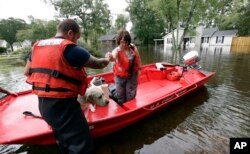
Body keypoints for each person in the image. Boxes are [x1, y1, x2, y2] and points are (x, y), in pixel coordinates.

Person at [25, 19, 111, 154]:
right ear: (70, 33)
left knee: (63, 142)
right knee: (82, 148)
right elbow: (99, 64)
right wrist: (107, 57)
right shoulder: (71, 49)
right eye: (77, 38)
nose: (76, 42)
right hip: (63, 107)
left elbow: (26, 72)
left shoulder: (37, 46)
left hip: (44, 107)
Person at [106, 30, 141, 105]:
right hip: (120, 77)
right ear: (119, 41)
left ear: (128, 41)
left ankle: (130, 108)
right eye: (121, 42)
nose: (124, 44)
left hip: (132, 76)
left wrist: (139, 69)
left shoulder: (133, 48)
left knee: (130, 96)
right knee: (121, 97)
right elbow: (113, 58)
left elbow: (138, 58)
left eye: (126, 42)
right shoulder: (116, 50)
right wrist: (110, 56)